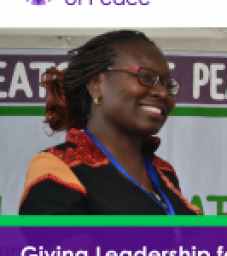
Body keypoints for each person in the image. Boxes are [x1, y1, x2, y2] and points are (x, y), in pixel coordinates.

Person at [19, 30, 201, 215]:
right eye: (145, 77)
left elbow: (182, 237)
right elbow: (67, 245)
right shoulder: (57, 167)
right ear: (96, 84)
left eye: (168, 85)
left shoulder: (163, 172)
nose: (163, 93)